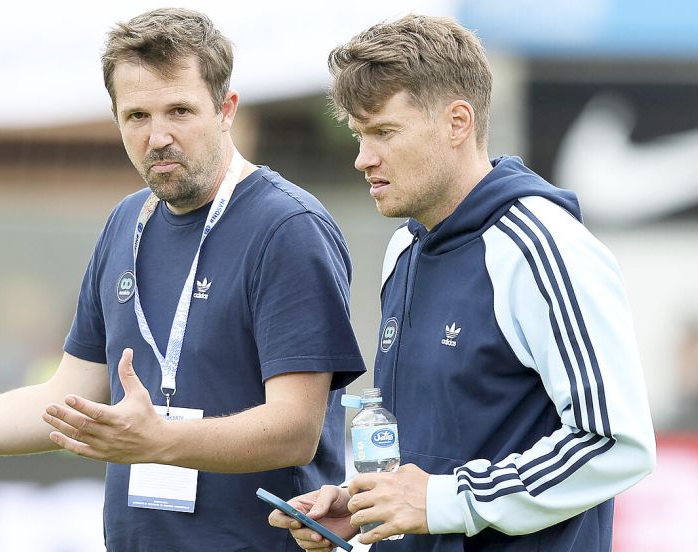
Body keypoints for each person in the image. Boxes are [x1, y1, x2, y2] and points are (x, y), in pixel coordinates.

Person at [0, 8, 365, 551]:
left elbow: (295, 430)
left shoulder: (287, 226)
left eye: (179, 111)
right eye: (137, 115)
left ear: (227, 108)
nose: (157, 135)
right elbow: (60, 400)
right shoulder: (126, 223)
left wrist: (157, 441)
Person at [269, 14, 656, 551]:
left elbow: (615, 443)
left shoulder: (543, 247)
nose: (364, 158)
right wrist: (363, 512)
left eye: (384, 132)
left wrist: (445, 500)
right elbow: (430, 463)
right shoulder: (403, 248)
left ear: (457, 122)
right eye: (360, 134)